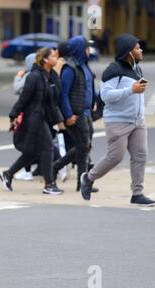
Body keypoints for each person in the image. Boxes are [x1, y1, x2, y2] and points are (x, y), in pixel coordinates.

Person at [80, 34, 155, 207]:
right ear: (129, 52)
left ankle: (137, 194)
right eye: (137, 48)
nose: (141, 50)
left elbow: (135, 93)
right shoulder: (113, 70)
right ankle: (88, 177)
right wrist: (131, 89)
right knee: (115, 157)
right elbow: (105, 96)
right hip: (118, 121)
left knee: (140, 156)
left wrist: (137, 93)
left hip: (138, 121)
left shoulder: (137, 69)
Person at [0, 47, 64, 195]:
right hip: (34, 118)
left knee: (32, 152)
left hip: (44, 117)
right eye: (53, 56)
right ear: (45, 60)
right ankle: (49, 184)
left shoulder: (52, 75)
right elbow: (24, 98)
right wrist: (13, 115)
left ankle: (8, 174)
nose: (56, 58)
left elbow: (53, 101)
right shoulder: (34, 76)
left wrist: (59, 119)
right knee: (48, 148)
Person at [57, 36, 97, 192]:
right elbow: (64, 93)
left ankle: (56, 167)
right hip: (76, 114)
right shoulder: (70, 68)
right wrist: (68, 115)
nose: (89, 50)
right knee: (83, 146)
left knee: (84, 147)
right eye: (87, 47)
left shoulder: (85, 66)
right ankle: (83, 183)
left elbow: (90, 86)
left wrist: (93, 100)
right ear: (80, 50)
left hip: (86, 113)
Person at [12, 53, 36, 181]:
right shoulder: (42, 74)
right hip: (36, 113)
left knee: (23, 142)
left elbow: (16, 89)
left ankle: (27, 171)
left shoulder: (28, 76)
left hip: (26, 113)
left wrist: (17, 77)